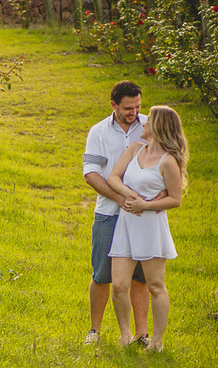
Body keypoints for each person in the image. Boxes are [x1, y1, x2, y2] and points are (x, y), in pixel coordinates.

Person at [106, 105, 188, 352]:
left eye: (148, 119)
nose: (143, 123)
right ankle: (125, 335)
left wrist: (146, 204)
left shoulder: (168, 161)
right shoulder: (134, 149)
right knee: (119, 285)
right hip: (126, 225)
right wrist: (131, 195)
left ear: (159, 126)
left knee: (155, 286)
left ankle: (157, 342)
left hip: (151, 228)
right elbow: (113, 178)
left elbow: (175, 199)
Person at [81, 81, 152, 346]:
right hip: (108, 212)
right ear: (113, 105)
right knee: (102, 274)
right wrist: (120, 198)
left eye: (138, 106)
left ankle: (141, 334)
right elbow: (91, 174)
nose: (134, 112)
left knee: (140, 276)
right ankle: (94, 331)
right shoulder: (98, 131)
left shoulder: (149, 127)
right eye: (128, 108)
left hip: (142, 214)